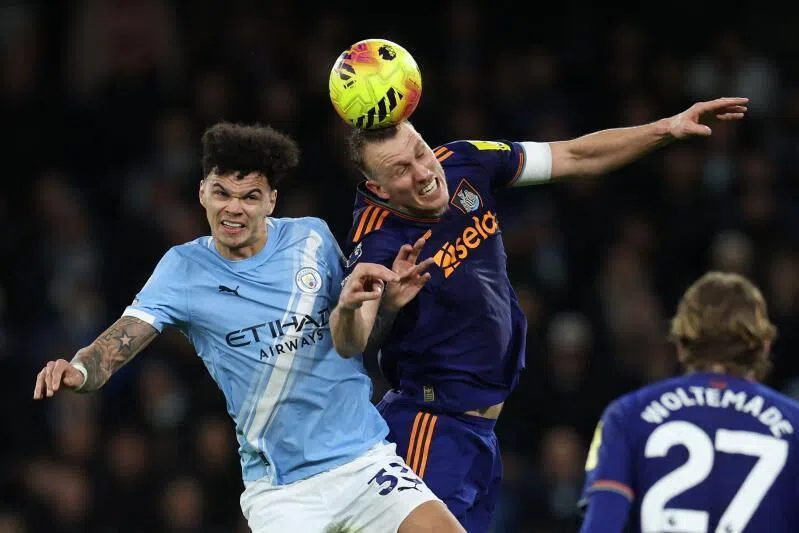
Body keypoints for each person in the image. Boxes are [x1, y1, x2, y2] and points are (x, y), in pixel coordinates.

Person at [329, 97, 750, 531]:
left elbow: (573, 154)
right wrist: (377, 308)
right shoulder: (376, 240)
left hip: (477, 433)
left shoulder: (462, 161)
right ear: (377, 188)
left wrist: (665, 128)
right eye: (400, 170)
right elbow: (350, 341)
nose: (422, 172)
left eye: (419, 151)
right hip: (428, 427)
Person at [32, 122, 465, 533]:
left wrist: (385, 305)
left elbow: (354, 337)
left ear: (272, 201)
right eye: (222, 193)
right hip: (284, 490)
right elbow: (123, 336)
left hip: (364, 461)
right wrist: (82, 371)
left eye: (250, 196)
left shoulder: (312, 239)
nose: (233, 208)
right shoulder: (183, 269)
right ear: (202, 193)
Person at [578, 271, 799, 533]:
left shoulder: (626, 415)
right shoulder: (794, 422)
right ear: (764, 346)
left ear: (681, 343)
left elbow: (601, 526)